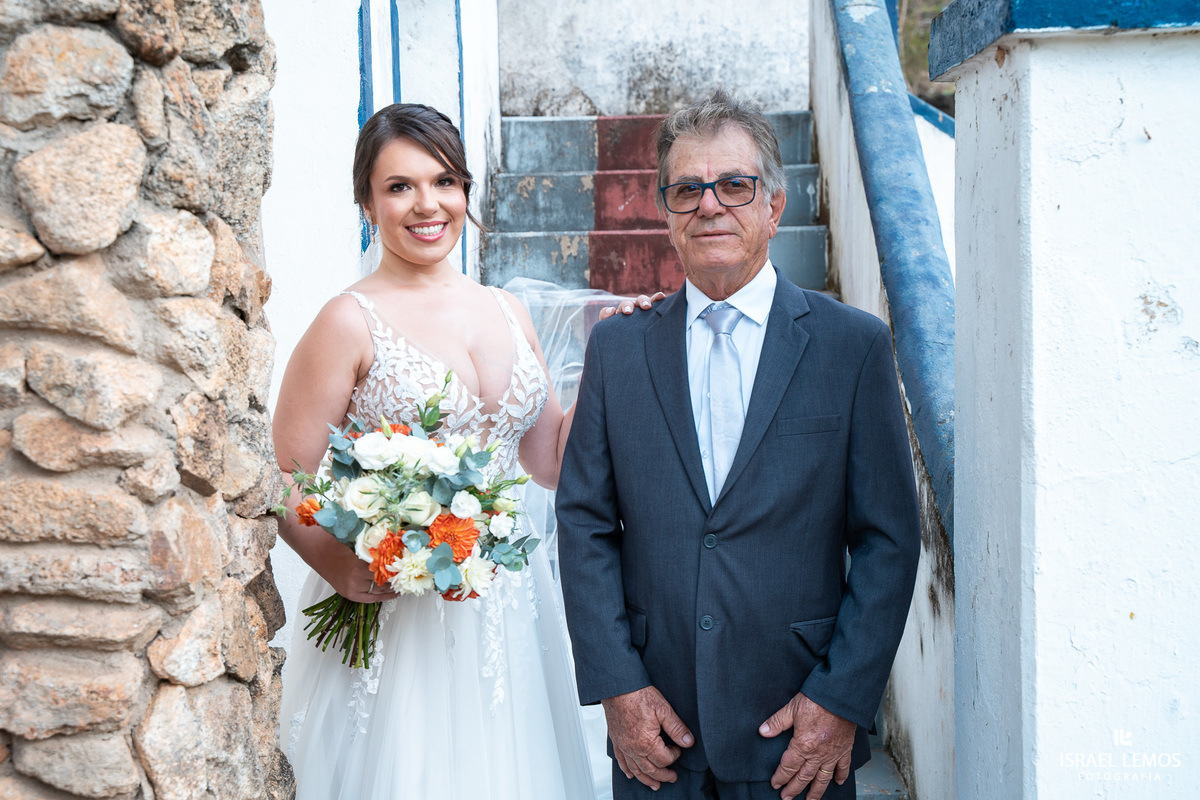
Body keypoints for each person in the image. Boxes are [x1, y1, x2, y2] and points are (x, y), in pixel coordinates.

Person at [274, 102, 650, 799]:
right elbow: (285, 475)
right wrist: (336, 560)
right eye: (400, 186)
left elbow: (549, 466)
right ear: (366, 202)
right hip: (395, 609)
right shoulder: (348, 320)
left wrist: (605, 362)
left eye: (445, 182)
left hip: (507, 608)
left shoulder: (507, 309)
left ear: (466, 193)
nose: (428, 204)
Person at [556, 89, 922, 800]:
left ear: (774, 207)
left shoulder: (852, 347)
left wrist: (841, 699)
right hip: (657, 735)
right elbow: (584, 523)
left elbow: (888, 539)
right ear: (665, 212)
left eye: (735, 185)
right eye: (687, 189)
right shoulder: (618, 349)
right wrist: (619, 688)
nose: (710, 204)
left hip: (796, 732)